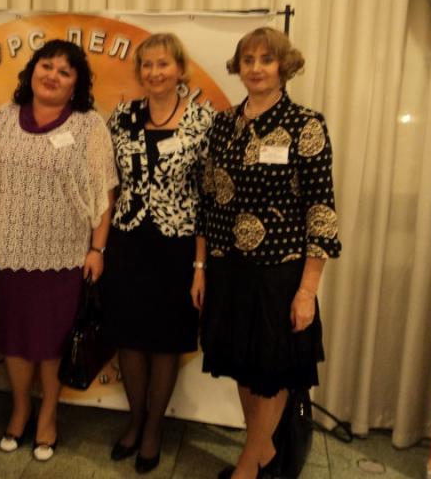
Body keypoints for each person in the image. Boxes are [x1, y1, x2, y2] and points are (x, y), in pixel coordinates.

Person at [197, 27, 341, 479]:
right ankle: (264, 455)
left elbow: (321, 211)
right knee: (244, 366)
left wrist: (307, 290)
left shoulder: (305, 124)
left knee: (272, 370)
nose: (256, 68)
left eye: (266, 59)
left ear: (284, 66)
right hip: (227, 268)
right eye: (248, 59)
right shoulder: (222, 124)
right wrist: (201, 267)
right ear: (238, 67)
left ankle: (248, 465)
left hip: (278, 273)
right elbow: (207, 200)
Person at [0, 39, 118, 462]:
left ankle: (48, 413)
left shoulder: (88, 125)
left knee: (52, 340)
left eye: (65, 71)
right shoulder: (3, 118)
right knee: (15, 338)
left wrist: (98, 248)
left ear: (76, 84)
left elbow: (104, 193)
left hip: (66, 255)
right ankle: (20, 407)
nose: (53, 76)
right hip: (11, 252)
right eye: (47, 66)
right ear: (32, 71)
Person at [102, 33, 215, 474]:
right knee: (129, 337)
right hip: (128, 242)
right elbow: (108, 183)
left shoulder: (203, 120)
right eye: (147, 65)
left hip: (177, 246)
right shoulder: (122, 116)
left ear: (180, 69)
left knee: (166, 340)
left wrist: (200, 266)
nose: (154, 72)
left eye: (163, 64)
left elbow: (207, 197)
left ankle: (153, 428)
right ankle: (134, 420)